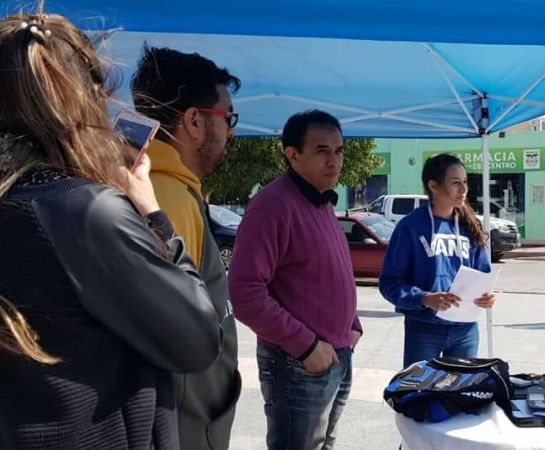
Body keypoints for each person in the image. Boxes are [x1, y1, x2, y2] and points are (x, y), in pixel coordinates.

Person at [0, 11, 221, 449]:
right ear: (84, 96)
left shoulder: (31, 201)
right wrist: (152, 213)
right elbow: (198, 338)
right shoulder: (85, 211)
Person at [228, 110, 362, 450]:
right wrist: (306, 346)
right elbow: (245, 293)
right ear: (292, 155)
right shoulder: (272, 205)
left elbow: (328, 273)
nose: (334, 160)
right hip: (298, 362)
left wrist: (352, 323)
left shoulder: (321, 202)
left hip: (336, 354)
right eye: (322, 151)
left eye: (339, 150)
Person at [130, 46, 241, 449]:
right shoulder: (166, 198)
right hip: (183, 424)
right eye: (228, 118)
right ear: (194, 120)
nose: (231, 132)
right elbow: (172, 330)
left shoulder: (166, 188)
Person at [379, 154, 497, 368]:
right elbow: (390, 283)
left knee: (462, 387)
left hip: (465, 330)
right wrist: (424, 298)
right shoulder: (410, 227)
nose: (464, 189)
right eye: (455, 183)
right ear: (433, 186)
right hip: (424, 329)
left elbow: (483, 275)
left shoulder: (470, 227)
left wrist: (487, 296)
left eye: (465, 182)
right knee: (420, 387)